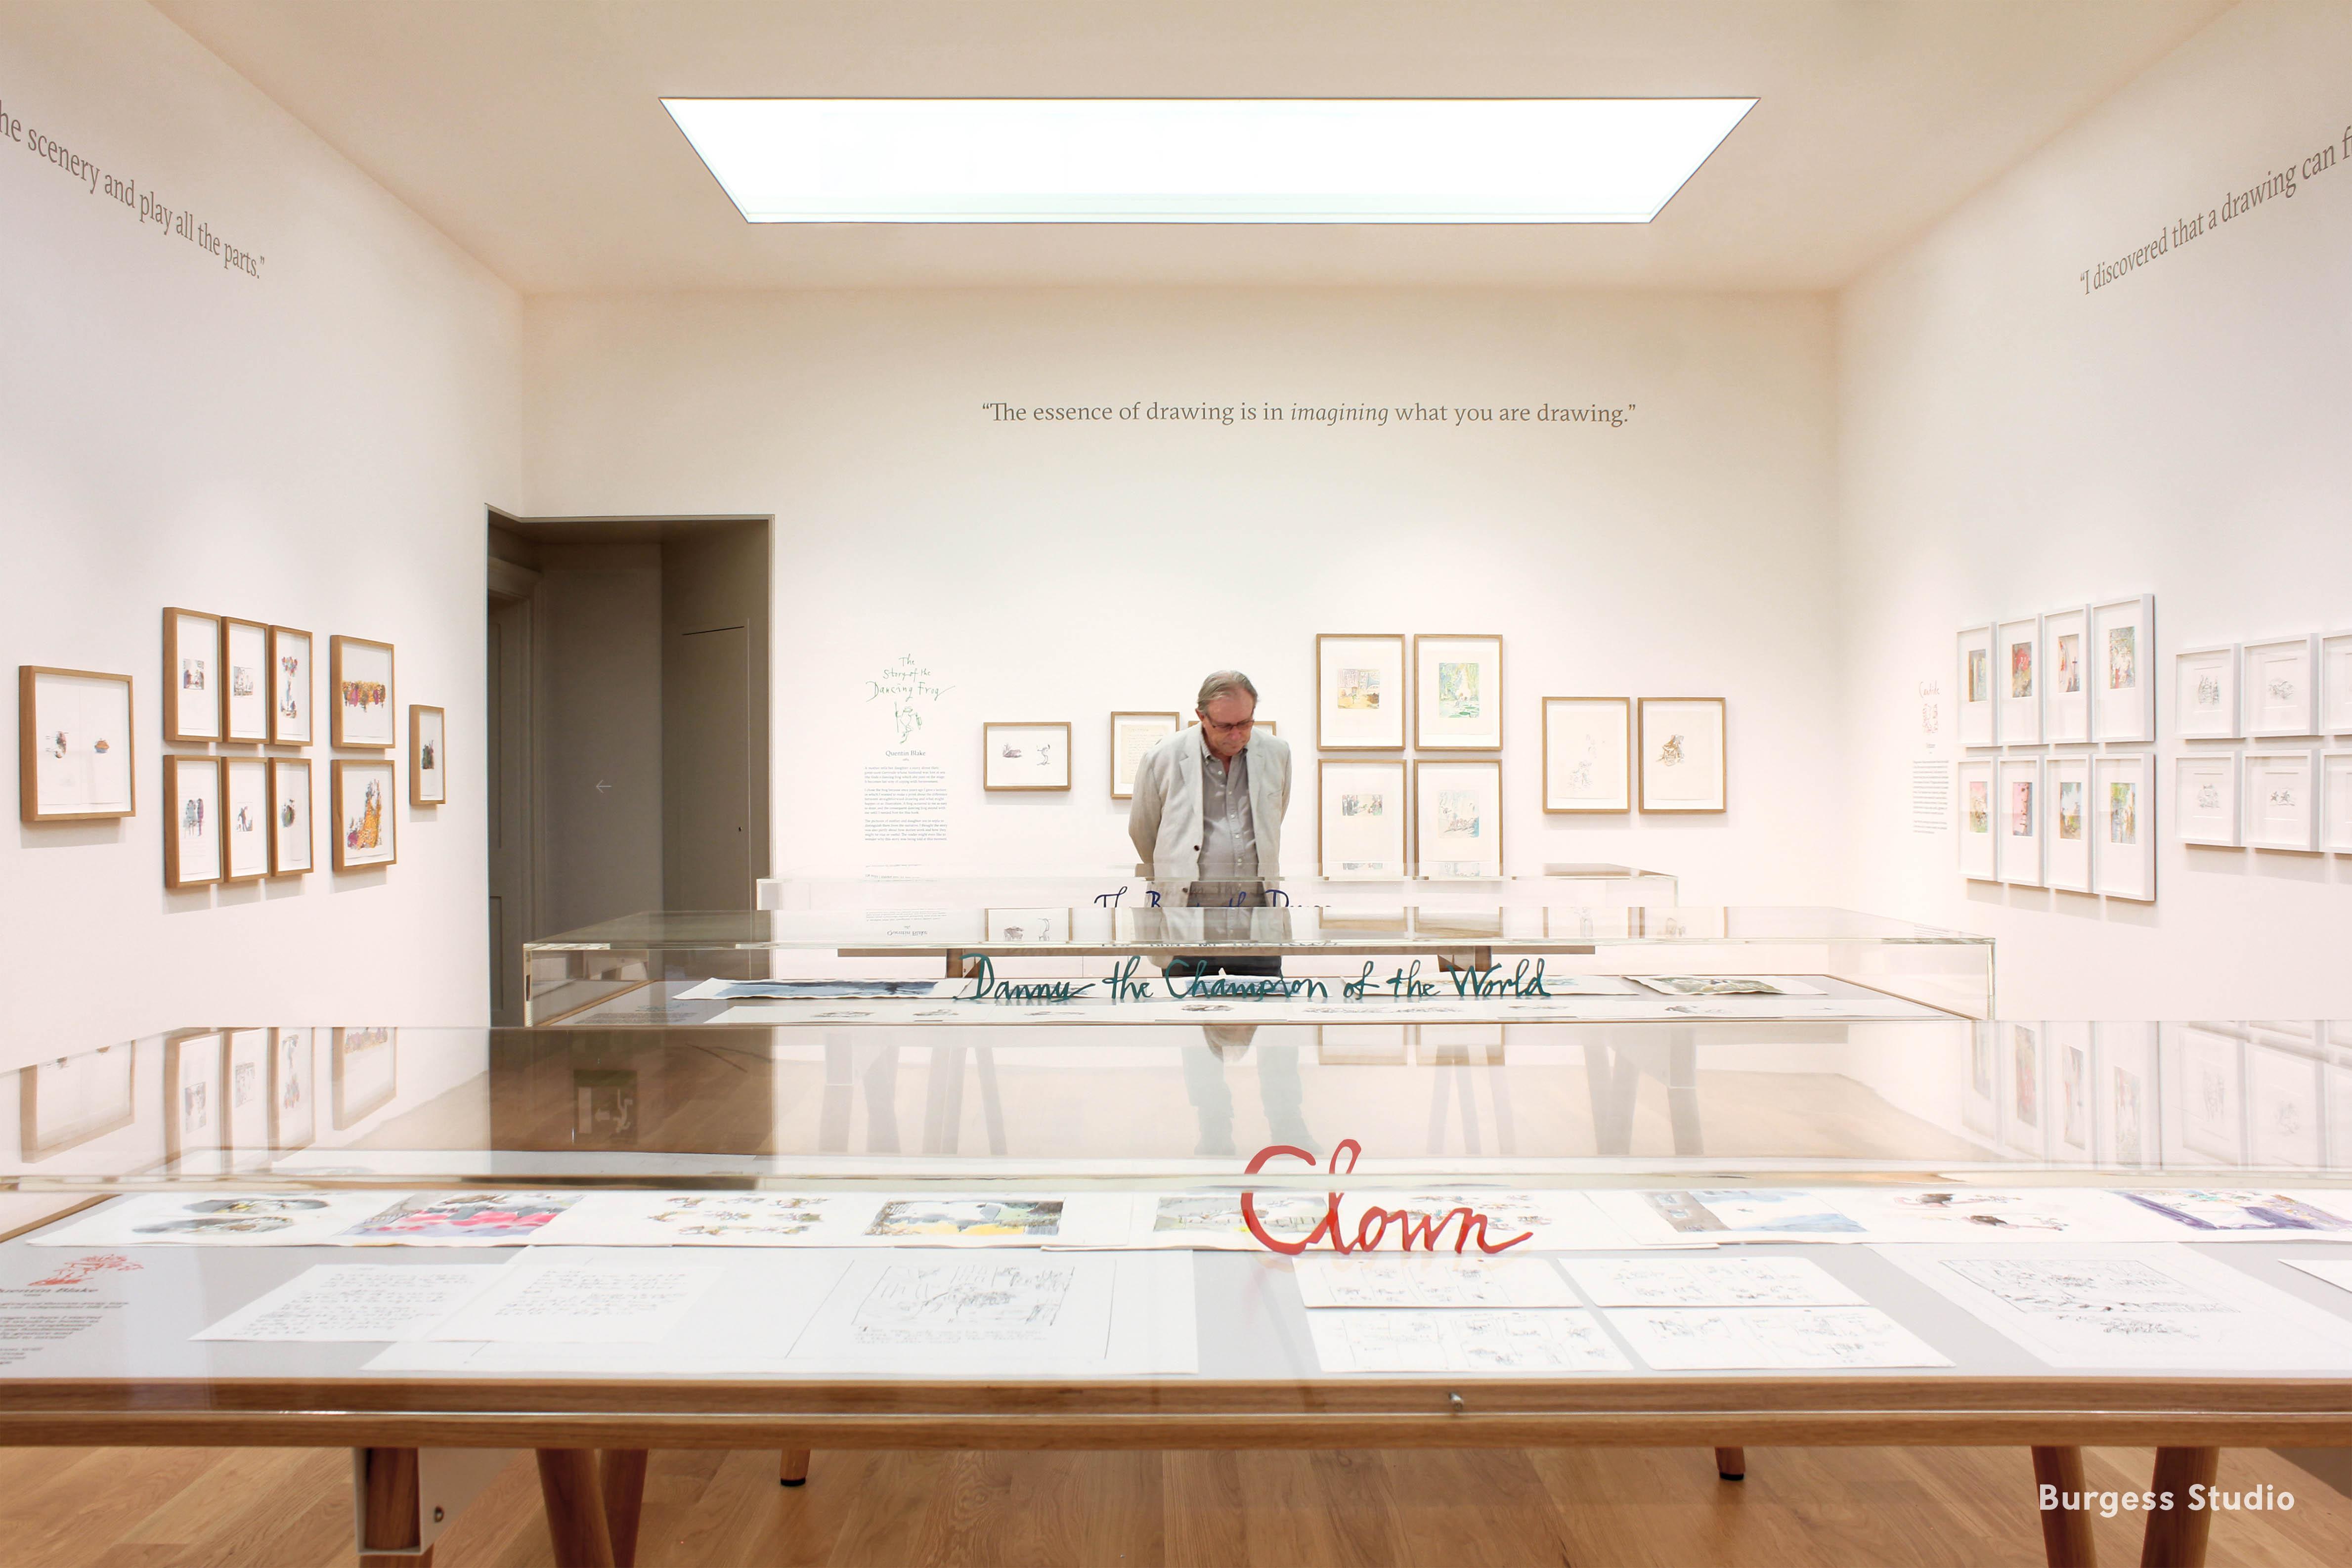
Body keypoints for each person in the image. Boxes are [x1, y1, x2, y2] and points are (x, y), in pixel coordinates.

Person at [1127, 670, 1309, 1153]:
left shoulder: (1278, 754)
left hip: (1257, 918)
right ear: (1201, 718)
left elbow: (1275, 819)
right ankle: (1215, 1126)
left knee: (1274, 1028)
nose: (1236, 736)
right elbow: (1144, 831)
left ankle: (1287, 1121)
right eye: (1224, 726)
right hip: (1188, 923)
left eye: (1245, 724)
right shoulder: (1163, 758)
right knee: (1195, 1030)